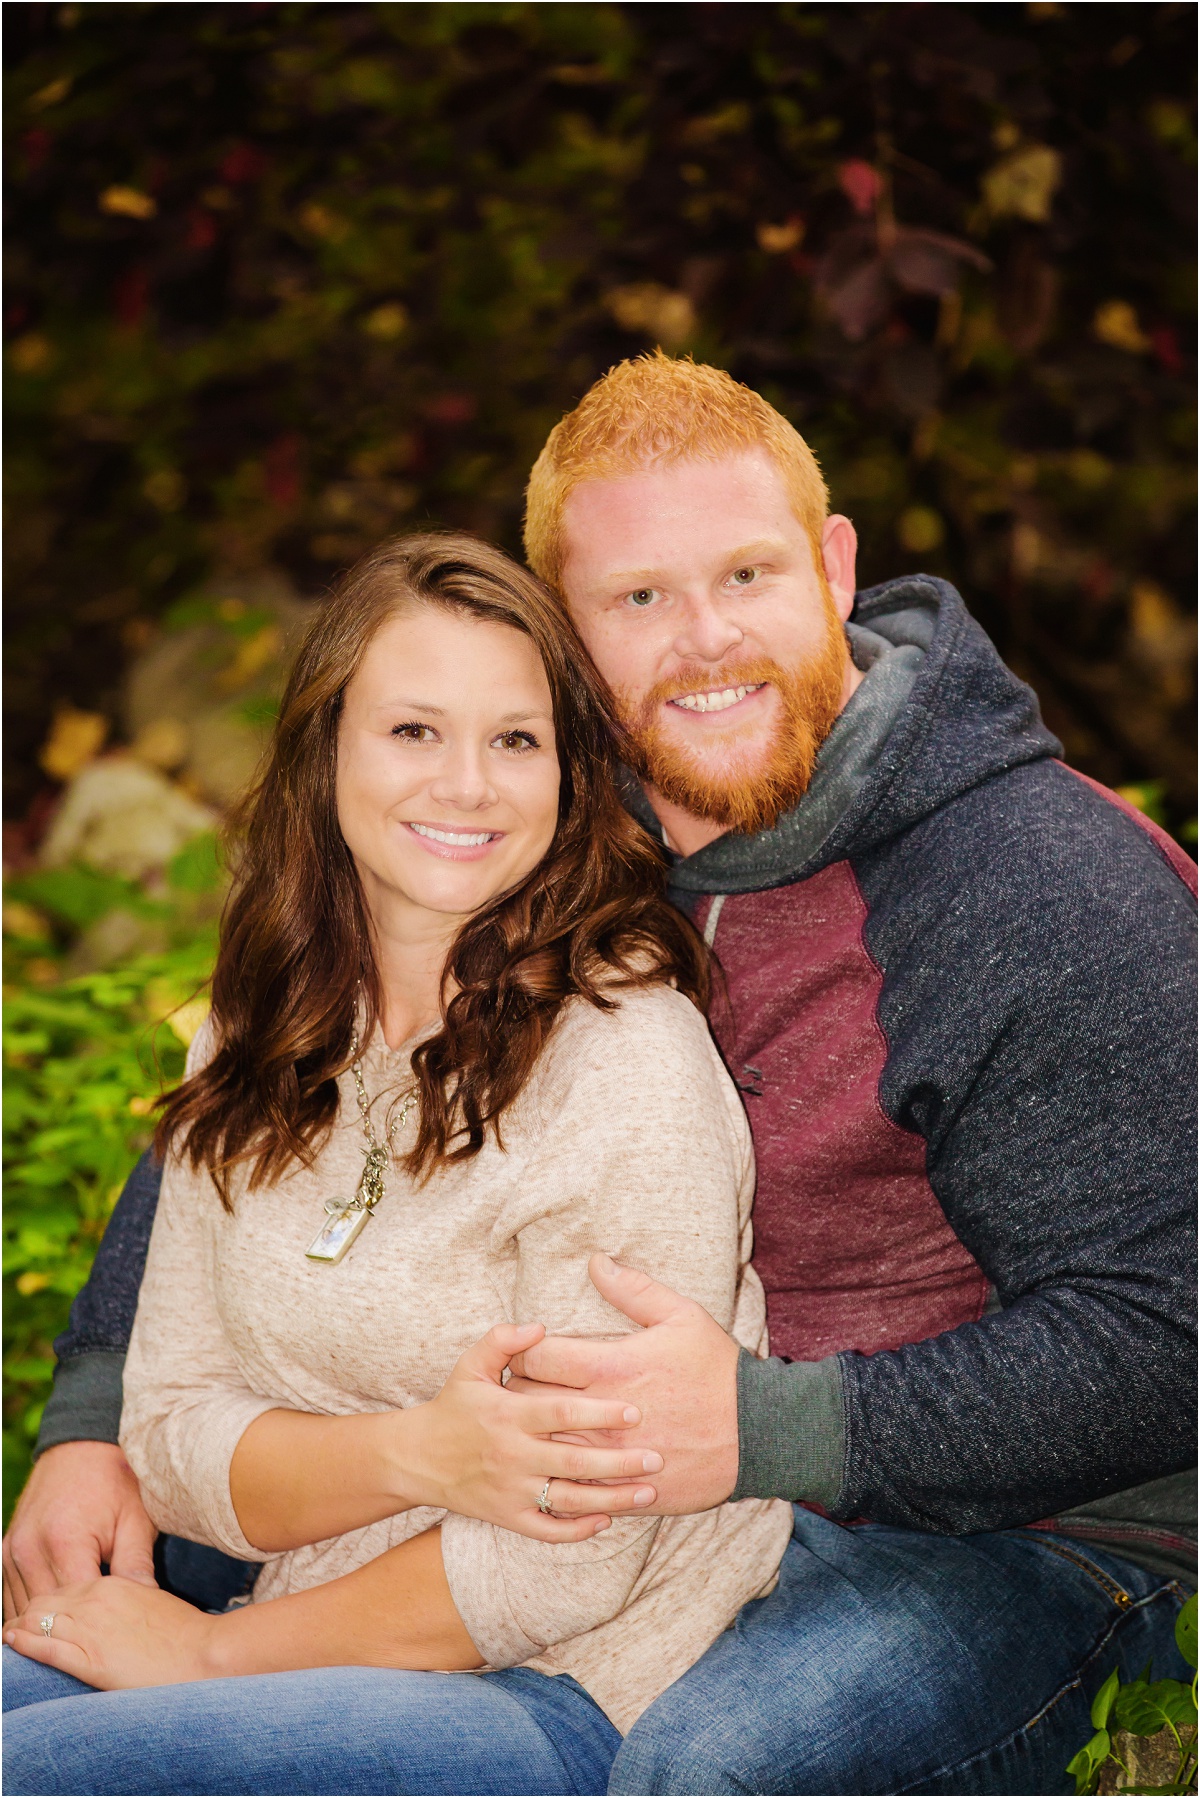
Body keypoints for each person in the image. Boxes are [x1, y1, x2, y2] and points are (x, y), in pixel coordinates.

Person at [7, 355, 1196, 1794]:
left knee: (705, 1771)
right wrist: (90, 1419)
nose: (705, 643)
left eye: (747, 575)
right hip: (542, 1467)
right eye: (638, 598)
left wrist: (772, 1424)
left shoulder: (1039, 888)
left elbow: (1170, 1338)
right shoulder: (535, 800)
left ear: (831, 567)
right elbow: (281, 1081)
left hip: (1007, 1522)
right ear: (563, 637)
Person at [1, 532, 793, 1796]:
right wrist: (421, 1452)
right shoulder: (264, 1028)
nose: (468, 783)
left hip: (569, 1690)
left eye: (516, 739)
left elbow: (566, 1558)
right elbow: (169, 1429)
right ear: (325, 753)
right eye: (414, 731)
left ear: (569, 774)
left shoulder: (625, 1065)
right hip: (304, 1630)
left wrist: (212, 1655)